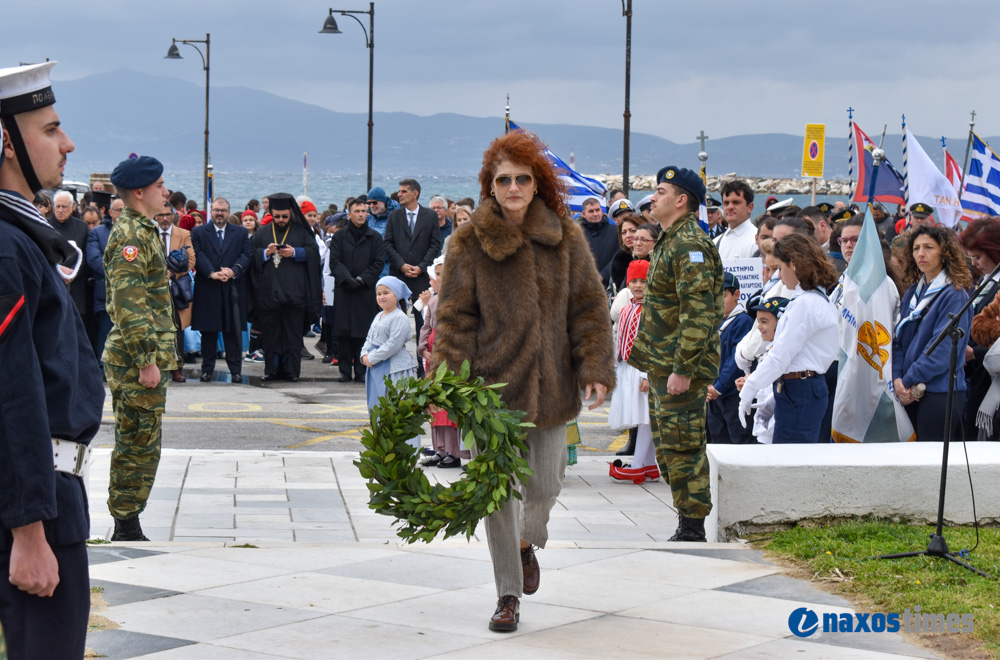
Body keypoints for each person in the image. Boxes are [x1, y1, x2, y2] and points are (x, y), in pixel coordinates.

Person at [431, 130, 614, 633]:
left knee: (546, 485)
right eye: (503, 179)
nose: (513, 187)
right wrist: (448, 381)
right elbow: (454, 318)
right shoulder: (467, 243)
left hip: (554, 388)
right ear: (490, 185)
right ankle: (507, 593)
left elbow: (590, 309)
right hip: (492, 392)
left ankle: (527, 541)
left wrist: (596, 367)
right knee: (499, 493)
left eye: (523, 179)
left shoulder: (566, 236)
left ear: (538, 185)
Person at [0, 60, 104, 660]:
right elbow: (11, 390)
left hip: (39, 490)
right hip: (32, 502)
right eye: (49, 129)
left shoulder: (22, 236)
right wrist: (29, 529)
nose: (66, 144)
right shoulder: (7, 245)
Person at [629, 165, 722, 543]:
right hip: (663, 364)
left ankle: (693, 527)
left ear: (682, 200)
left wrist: (683, 368)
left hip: (679, 367)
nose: (654, 197)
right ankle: (687, 520)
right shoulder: (670, 239)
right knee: (669, 449)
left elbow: (698, 313)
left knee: (683, 447)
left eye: (662, 191)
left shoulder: (689, 245)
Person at [103, 154, 176, 542]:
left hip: (140, 357)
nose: (165, 192)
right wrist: (147, 360)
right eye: (160, 185)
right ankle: (126, 526)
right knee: (137, 444)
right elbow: (130, 305)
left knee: (142, 441)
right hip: (135, 360)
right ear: (139, 191)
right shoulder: (131, 237)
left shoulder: (142, 230)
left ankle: (128, 521)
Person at [738, 234, 840, 443]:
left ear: (793, 265)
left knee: (790, 464)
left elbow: (780, 356)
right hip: (802, 387)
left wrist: (750, 388)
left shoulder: (805, 304)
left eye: (779, 268)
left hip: (800, 389)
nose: (778, 276)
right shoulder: (815, 299)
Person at [893, 226, 974, 442]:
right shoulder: (913, 292)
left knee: (932, 464)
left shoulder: (954, 294)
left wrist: (908, 380)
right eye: (916, 248)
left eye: (929, 247)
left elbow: (942, 352)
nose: (921, 253)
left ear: (944, 252)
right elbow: (899, 342)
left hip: (939, 393)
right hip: (908, 391)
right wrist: (897, 379)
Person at [250, 193, 322, 382]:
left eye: (284, 216)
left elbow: (314, 253)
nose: (281, 220)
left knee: (292, 335)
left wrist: (295, 252)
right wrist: (266, 253)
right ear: (271, 214)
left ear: (291, 213)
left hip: (295, 293)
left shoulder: (302, 231)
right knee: (271, 335)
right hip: (269, 294)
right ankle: (271, 370)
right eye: (277, 217)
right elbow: (251, 254)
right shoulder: (263, 232)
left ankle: (291, 371)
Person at [607, 259, 659, 484]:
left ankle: (638, 465)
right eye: (634, 281)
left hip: (643, 368)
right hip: (628, 367)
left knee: (646, 417)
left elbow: (653, 342)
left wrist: (647, 374)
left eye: (643, 281)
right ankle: (649, 464)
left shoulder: (653, 309)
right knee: (641, 417)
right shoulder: (629, 308)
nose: (638, 285)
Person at [384, 178, 441, 378]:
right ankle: (394, 363)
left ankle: (421, 366)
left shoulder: (430, 216)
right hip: (399, 276)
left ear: (415, 193)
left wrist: (421, 267)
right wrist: (401, 265)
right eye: (399, 191)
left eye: (403, 191)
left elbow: (435, 244)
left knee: (422, 320)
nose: (399, 194)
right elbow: (388, 244)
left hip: (421, 277)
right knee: (394, 320)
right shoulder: (394, 216)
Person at [191, 196, 252, 383]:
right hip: (208, 287)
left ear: (228, 212)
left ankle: (235, 371)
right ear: (211, 211)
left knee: (232, 332)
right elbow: (198, 254)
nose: (220, 213)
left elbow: (246, 255)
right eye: (216, 210)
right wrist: (211, 273)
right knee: (208, 332)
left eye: (223, 210)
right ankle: (207, 370)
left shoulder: (240, 232)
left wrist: (233, 271)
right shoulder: (199, 232)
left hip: (233, 289)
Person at [330, 199, 385, 382]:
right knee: (343, 331)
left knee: (363, 331)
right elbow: (335, 262)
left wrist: (361, 280)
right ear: (349, 214)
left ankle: (361, 370)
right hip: (345, 289)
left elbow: (378, 263)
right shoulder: (339, 237)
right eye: (357, 211)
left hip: (365, 290)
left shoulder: (375, 237)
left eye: (364, 211)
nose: (361, 214)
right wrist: (347, 279)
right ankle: (345, 370)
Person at [361, 276, 420, 446]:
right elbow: (369, 339)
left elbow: (393, 345)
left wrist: (372, 357)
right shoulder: (379, 315)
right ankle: (384, 449)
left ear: (397, 295)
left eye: (386, 292)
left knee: (397, 411)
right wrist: (364, 355)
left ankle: (406, 452)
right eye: (379, 293)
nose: (381, 297)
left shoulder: (399, 318)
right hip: (376, 368)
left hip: (396, 370)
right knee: (379, 409)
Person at [706, 272, 755, 443]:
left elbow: (735, 359)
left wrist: (718, 387)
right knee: (718, 440)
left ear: (736, 295)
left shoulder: (743, 321)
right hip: (713, 393)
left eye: (723, 295)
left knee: (739, 440)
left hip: (733, 393)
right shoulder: (715, 321)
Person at [964, 218, 1000, 440]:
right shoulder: (986, 281)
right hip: (977, 377)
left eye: (977, 257)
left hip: (990, 377)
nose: (974, 263)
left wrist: (974, 353)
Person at [154, 208, 196, 383]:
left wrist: (174, 273)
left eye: (168, 215)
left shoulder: (183, 234)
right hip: (154, 289)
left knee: (177, 330)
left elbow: (191, 259)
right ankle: (156, 368)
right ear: (155, 216)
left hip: (176, 288)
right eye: (161, 215)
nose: (164, 219)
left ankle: (177, 369)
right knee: (155, 329)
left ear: (173, 216)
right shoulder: (148, 233)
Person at [48, 189, 90, 319]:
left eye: (64, 207)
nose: (60, 210)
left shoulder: (82, 227)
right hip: (52, 283)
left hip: (75, 284)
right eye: (58, 206)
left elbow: (85, 255)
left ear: (72, 207)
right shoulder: (45, 225)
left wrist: (73, 273)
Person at [578, 197, 619, 288]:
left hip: (609, 283)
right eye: (591, 211)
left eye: (597, 210)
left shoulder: (615, 231)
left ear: (601, 210)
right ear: (584, 214)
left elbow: (618, 256)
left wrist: (603, 275)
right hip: (583, 285)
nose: (595, 214)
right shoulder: (577, 233)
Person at [715, 179, 757, 259]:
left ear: (750, 207)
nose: (730, 207)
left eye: (736, 202)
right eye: (726, 203)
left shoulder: (757, 242)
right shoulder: (716, 243)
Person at [609, 214, 640, 291]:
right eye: (624, 232)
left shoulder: (652, 257)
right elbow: (610, 290)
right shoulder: (619, 260)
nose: (628, 235)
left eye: (632, 231)